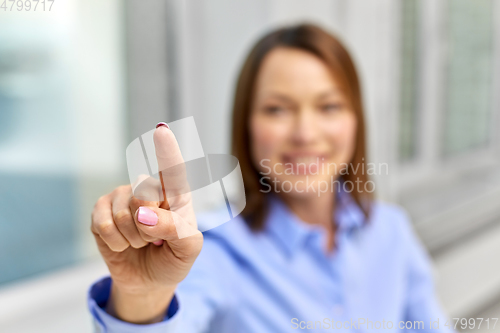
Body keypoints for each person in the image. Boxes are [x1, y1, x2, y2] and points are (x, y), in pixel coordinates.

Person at [88, 24, 454, 332]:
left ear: (356, 119)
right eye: (277, 109)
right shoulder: (211, 249)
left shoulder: (391, 231)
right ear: (246, 125)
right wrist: (143, 295)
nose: (306, 134)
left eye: (329, 106)